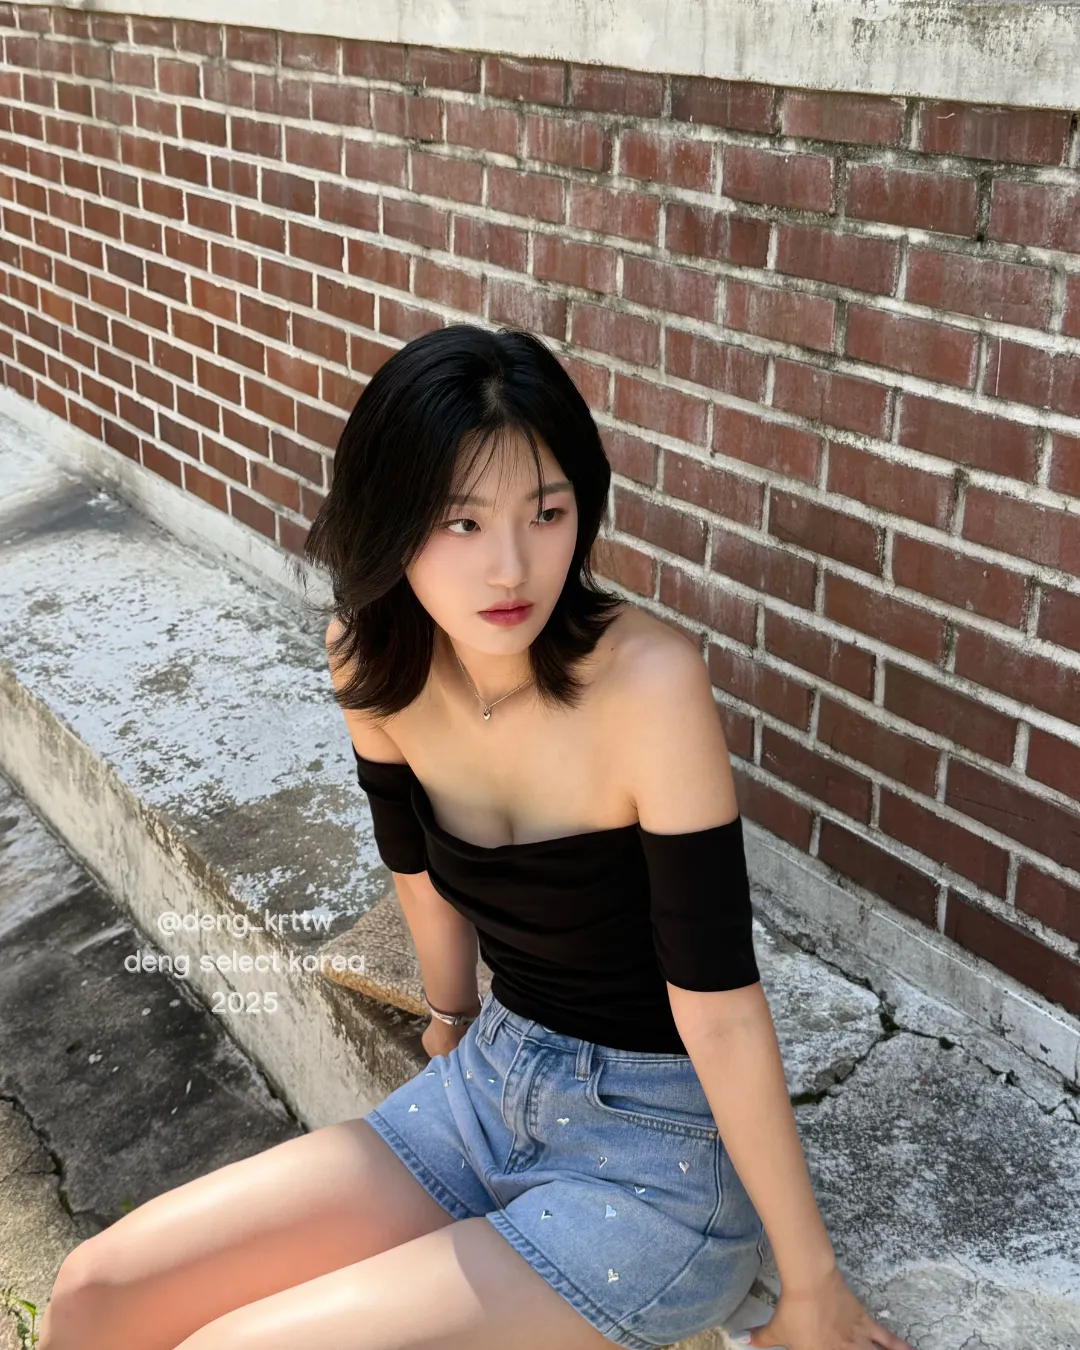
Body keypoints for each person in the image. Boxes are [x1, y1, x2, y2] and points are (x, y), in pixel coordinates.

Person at [38, 324, 915, 1350]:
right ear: (392, 520)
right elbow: (414, 868)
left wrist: (811, 1285)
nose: (511, 566)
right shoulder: (371, 659)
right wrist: (449, 1016)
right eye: (461, 521)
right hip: (489, 1084)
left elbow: (719, 1005)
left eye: (547, 513)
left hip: (655, 1160)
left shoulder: (649, 683)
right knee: (96, 1291)